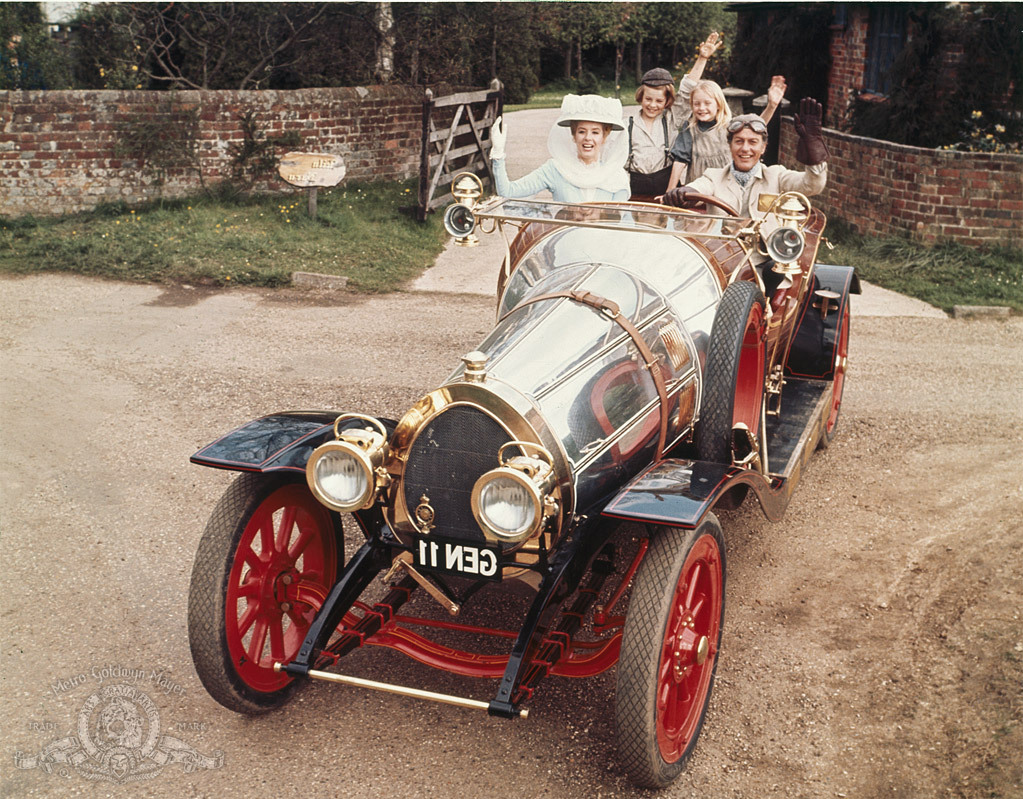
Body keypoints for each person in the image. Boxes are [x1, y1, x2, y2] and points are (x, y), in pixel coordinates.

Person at [660, 98, 830, 293]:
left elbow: (813, 184)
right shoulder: (714, 176)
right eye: (739, 141)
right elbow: (698, 188)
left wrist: (814, 147)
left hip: (764, 265)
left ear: (763, 147)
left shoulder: (776, 175)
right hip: (719, 261)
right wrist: (682, 193)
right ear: (730, 146)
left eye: (753, 142)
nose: (745, 149)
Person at [666, 31, 787, 190]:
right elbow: (680, 161)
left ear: (718, 104)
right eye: (697, 104)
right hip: (697, 192)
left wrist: (771, 105)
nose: (701, 108)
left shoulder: (731, 126)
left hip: (728, 192)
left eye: (707, 103)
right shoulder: (689, 130)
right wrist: (670, 191)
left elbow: (758, 124)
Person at [490, 94, 630, 203]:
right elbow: (508, 191)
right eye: (581, 131)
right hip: (565, 239)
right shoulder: (555, 169)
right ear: (574, 136)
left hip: (604, 240)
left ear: (604, 137)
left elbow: (623, 222)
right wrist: (498, 153)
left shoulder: (615, 175)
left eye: (595, 132)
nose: (588, 138)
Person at [625, 68, 678, 198]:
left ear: (667, 101)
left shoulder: (671, 121)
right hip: (635, 189)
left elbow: (687, 92)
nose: (652, 105)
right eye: (648, 99)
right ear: (641, 97)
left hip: (665, 187)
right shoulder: (627, 124)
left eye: (659, 101)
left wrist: (702, 58)